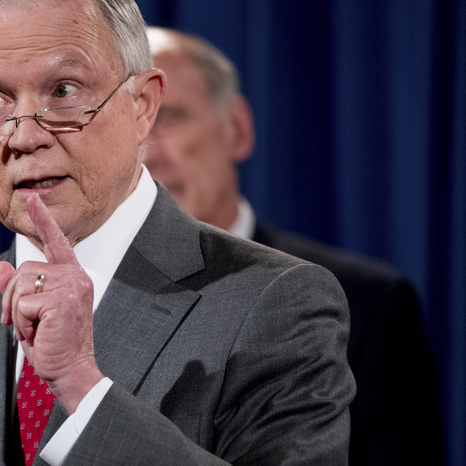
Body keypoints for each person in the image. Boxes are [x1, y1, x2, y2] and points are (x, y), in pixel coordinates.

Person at [0, 0, 355, 465]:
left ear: (142, 105)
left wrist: (83, 390)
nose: (25, 136)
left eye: (64, 91)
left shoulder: (275, 303)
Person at [144, 26, 445, 465]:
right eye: (130, 128)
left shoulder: (367, 302)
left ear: (238, 129)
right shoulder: (85, 299)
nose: (146, 154)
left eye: (167, 118)